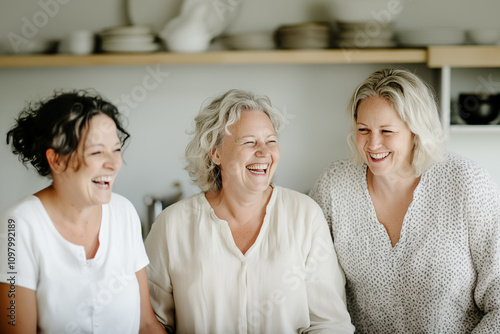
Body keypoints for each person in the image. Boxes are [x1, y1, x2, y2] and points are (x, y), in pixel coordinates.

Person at [145, 89, 354, 333]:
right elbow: (151, 322)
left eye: (271, 141)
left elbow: (330, 324)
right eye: (249, 142)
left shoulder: (305, 216)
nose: (264, 153)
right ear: (216, 152)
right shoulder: (172, 225)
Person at [309, 68, 500, 333]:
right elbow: (312, 287)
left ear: (416, 131)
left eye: (387, 131)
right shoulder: (334, 185)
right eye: (364, 129)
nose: (373, 144)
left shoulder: (467, 182)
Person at [0, 90, 165, 333]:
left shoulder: (123, 213)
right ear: (56, 160)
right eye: (97, 152)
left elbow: (146, 323)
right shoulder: (18, 225)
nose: (114, 163)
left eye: (116, 150)